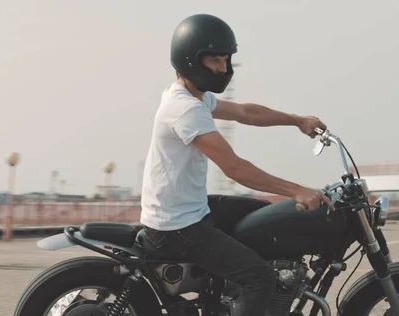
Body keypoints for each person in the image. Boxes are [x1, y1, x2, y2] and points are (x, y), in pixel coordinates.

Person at [139, 13, 335, 316]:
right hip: (175, 227)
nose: (224, 68)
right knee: (258, 278)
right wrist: (296, 191)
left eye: (226, 59)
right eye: (215, 60)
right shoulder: (184, 109)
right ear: (191, 60)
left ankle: (223, 296)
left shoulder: (195, 97)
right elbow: (235, 168)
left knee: (264, 216)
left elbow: (247, 113)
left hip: (187, 209)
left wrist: (297, 120)